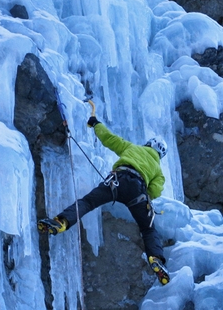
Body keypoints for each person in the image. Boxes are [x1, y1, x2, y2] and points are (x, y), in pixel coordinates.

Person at [38, 115, 170, 285]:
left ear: (149, 144)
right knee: (148, 229)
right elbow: (155, 190)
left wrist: (96, 124)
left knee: (87, 202)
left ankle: (61, 222)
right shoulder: (158, 171)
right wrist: (144, 195)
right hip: (138, 191)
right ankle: (156, 259)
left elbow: (109, 139)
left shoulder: (134, 148)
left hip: (117, 180)